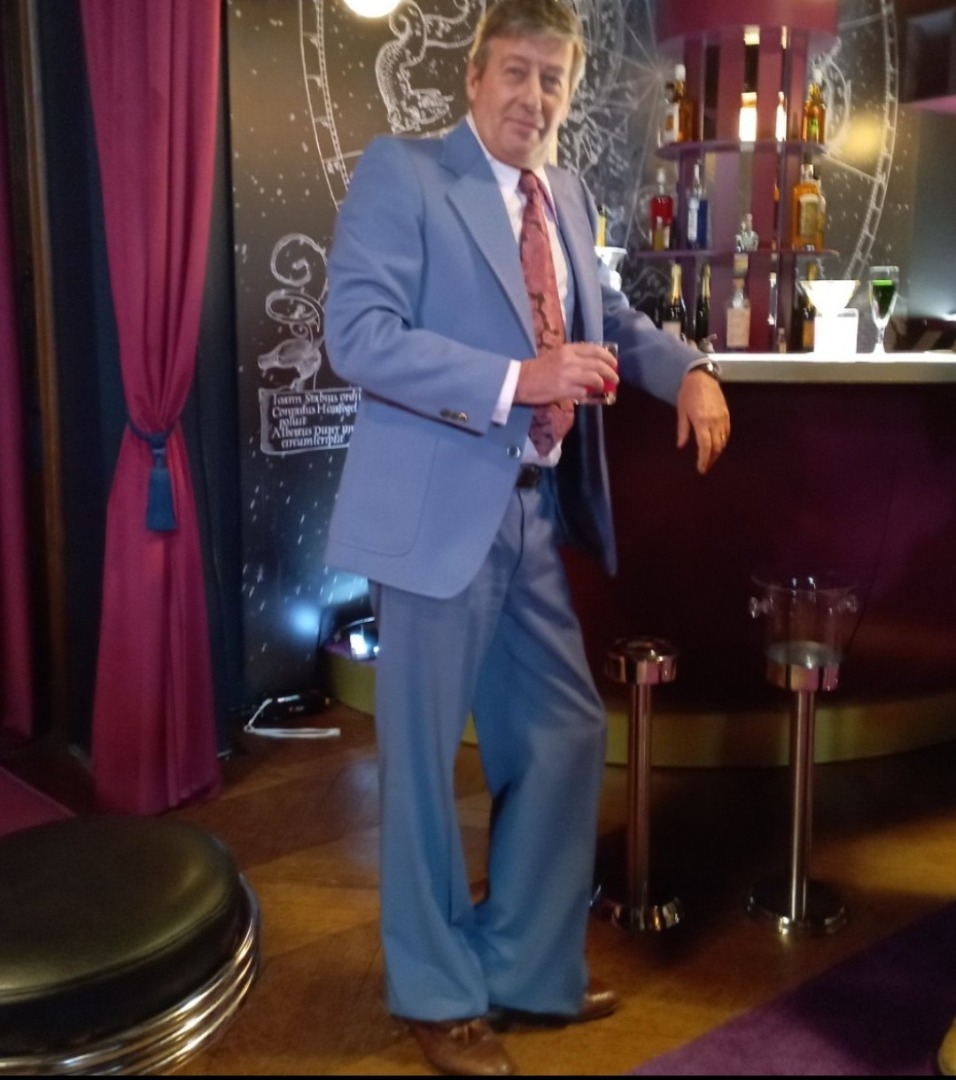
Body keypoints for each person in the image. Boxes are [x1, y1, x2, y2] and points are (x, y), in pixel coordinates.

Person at [323, 0, 730, 1074]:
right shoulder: (405, 173)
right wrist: (518, 379)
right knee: (421, 767)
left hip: (533, 513)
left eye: (552, 79)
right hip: (433, 518)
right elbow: (357, 336)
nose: (533, 97)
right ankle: (434, 990)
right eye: (514, 71)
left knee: (563, 734)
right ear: (473, 77)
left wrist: (687, 367)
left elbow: (610, 318)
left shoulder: (567, 194)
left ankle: (523, 964)